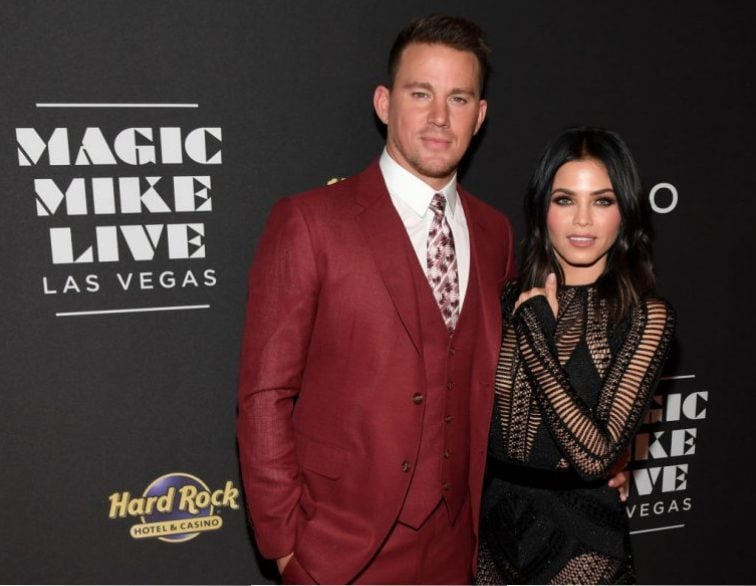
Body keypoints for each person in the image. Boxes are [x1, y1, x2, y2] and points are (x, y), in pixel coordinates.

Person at [236, 14, 516, 584]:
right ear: (384, 103)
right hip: (340, 551)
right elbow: (265, 394)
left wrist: (587, 466)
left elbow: (501, 384)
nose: (440, 117)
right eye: (421, 93)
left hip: (458, 548)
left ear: (480, 115)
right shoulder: (311, 222)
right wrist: (287, 546)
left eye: (459, 98)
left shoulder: (496, 233)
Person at [476, 127, 676, 584]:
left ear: (625, 212)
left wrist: (536, 334)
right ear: (542, 208)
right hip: (493, 529)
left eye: (602, 201)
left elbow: (596, 457)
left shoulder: (644, 317)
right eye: (565, 200)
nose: (582, 220)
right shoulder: (503, 299)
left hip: (584, 539)